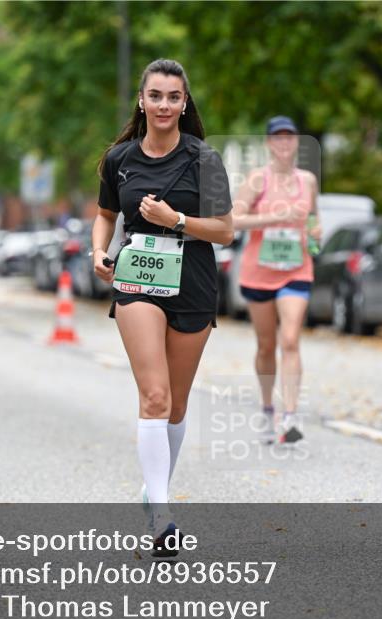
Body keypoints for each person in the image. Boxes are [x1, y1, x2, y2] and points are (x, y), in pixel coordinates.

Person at [91, 59, 233, 553]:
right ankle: (162, 517)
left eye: (174, 97)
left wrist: (176, 221)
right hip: (136, 282)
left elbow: (225, 229)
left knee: (175, 403)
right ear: (142, 100)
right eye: (156, 95)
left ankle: (154, 494)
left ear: (185, 103)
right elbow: (106, 215)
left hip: (192, 280)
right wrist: (98, 251)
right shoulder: (120, 159)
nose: (165, 105)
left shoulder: (204, 159)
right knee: (154, 397)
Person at [231, 116, 321, 444]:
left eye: (290, 137)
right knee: (266, 345)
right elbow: (233, 220)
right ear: (269, 143)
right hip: (259, 272)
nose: (284, 143)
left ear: (296, 141)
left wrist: (315, 234)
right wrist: (275, 217)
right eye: (277, 138)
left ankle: (291, 416)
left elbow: (313, 219)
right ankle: (268, 408)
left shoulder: (307, 181)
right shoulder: (257, 180)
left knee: (291, 339)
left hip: (296, 270)